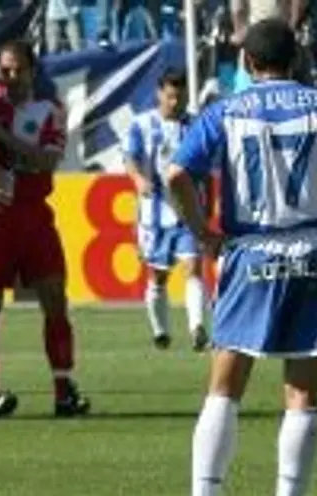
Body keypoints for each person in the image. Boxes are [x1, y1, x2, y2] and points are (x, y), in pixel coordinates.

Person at [165, 19, 317, 496]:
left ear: (247, 63)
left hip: (251, 249)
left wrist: (202, 233)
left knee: (225, 385)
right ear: (297, 60)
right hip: (313, 251)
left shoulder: (226, 110)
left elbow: (176, 173)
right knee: (303, 391)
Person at [0, 39, 91, 417]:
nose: (13, 77)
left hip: (34, 216)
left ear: (33, 71)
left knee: (55, 298)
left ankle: (64, 387)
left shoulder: (50, 111)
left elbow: (46, 161)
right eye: (5, 70)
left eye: (19, 70)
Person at [124, 69, 209, 351]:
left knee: (194, 266)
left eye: (181, 97)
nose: (176, 102)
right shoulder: (141, 124)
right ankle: (160, 331)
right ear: (160, 93)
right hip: (154, 213)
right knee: (157, 276)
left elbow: (207, 167)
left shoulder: (197, 124)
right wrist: (137, 179)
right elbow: (131, 158)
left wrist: (208, 203)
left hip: (188, 211)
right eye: (171, 96)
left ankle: (197, 327)